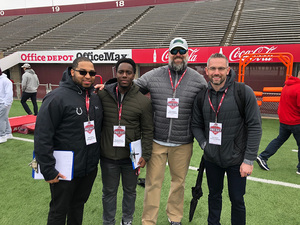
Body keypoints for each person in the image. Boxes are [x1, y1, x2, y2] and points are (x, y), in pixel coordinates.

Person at [139, 37, 207, 225]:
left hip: (183, 142)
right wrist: (109, 87)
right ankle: (148, 220)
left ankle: (174, 218)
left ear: (187, 54)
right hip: (157, 141)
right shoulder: (154, 75)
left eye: (181, 51)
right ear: (168, 54)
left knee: (179, 183)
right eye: (174, 51)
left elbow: (211, 100)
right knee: (153, 184)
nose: (178, 55)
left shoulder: (198, 79)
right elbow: (132, 87)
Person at [191, 53, 262, 225]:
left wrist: (249, 159)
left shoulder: (243, 92)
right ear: (206, 71)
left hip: (237, 160)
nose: (217, 72)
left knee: (237, 199)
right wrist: (204, 145)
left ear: (228, 70)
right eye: (213, 68)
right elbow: (195, 125)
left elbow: (255, 127)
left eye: (221, 68)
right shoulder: (201, 96)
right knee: (213, 196)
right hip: (212, 158)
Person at [34, 57, 103, 225]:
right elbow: (43, 135)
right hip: (64, 170)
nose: (88, 76)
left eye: (92, 73)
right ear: (72, 72)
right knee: (59, 210)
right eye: (83, 72)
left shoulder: (95, 97)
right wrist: (48, 169)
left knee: (77, 206)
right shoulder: (56, 97)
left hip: (88, 168)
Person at [97, 58, 153, 225]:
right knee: (108, 192)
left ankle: (127, 221)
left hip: (131, 158)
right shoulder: (102, 95)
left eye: (128, 72)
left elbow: (148, 130)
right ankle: (108, 221)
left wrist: (147, 154)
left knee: (130, 192)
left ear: (133, 75)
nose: (124, 75)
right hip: (107, 156)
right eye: (121, 72)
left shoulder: (143, 101)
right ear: (116, 73)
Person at [257, 71, 300, 174]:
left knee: (279, 139)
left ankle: (263, 156)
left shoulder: (287, 85)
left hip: (285, 120)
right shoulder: (298, 88)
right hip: (295, 121)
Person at [0, 68, 13, 143]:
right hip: (3, 102)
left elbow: (9, 93)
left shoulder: (5, 81)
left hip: (4, 103)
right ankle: (8, 133)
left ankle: (2, 135)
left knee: (1, 119)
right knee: (4, 118)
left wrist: (6, 104)